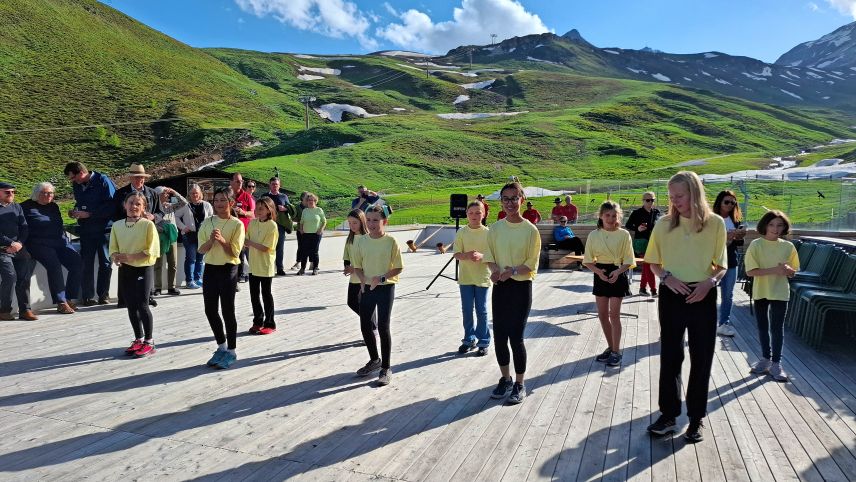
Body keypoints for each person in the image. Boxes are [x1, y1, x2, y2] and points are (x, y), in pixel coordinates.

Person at [644, 171, 726, 444]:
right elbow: (653, 262)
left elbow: (721, 265)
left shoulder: (715, 224)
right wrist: (667, 278)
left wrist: (709, 283)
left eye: (679, 195)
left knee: (702, 358)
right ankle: (668, 415)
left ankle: (696, 418)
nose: (675, 201)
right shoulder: (664, 224)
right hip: (672, 294)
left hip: (703, 295)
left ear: (695, 192)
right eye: (671, 197)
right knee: (670, 356)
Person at [484, 181, 541, 405]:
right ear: (501, 201)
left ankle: (519, 383)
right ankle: (505, 379)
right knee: (499, 337)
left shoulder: (530, 230)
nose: (510, 202)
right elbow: (490, 257)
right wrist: (495, 271)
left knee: (516, 338)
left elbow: (531, 264)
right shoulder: (495, 229)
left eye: (514, 198)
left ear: (521, 200)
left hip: (520, 287)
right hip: (501, 288)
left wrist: (513, 271)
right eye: (505, 199)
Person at [352, 205, 403, 386]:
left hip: (386, 288)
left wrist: (381, 278)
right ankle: (375, 360)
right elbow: (357, 265)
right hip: (367, 288)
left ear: (384, 221)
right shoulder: (362, 241)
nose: (372, 223)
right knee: (365, 324)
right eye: (369, 220)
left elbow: (398, 267)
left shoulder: (391, 241)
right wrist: (363, 281)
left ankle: (386, 368)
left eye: (376, 220)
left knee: (383, 326)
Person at [745, 211, 799, 382]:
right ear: (765, 225)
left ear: (784, 227)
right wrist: (775, 270)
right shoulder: (756, 245)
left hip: (780, 292)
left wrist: (789, 272)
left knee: (777, 329)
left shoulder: (788, 247)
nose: (776, 229)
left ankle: (776, 363)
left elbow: (793, 272)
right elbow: (750, 271)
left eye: (780, 225)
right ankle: (765, 359)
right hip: (761, 292)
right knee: (762, 327)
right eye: (772, 225)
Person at [583, 201, 636, 367]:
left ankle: (616, 351)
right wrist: (598, 272)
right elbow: (588, 261)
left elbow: (629, 260)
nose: (611, 219)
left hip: (617, 273)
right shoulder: (593, 235)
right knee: (602, 315)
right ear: (601, 216)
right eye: (607, 215)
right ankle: (611, 347)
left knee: (614, 315)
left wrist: (618, 272)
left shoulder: (624, 235)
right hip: (601, 273)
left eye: (614, 215)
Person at [198, 187, 245, 369]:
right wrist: (211, 241)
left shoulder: (237, 224)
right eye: (216, 200)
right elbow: (201, 249)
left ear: (231, 203)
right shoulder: (207, 221)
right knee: (210, 310)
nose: (219, 204)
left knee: (227, 310)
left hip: (228, 269)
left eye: (223, 200)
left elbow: (235, 251)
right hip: (210, 269)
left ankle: (232, 351)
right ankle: (221, 346)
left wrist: (223, 241)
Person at [110, 192, 159, 357]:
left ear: (144, 207)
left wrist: (129, 257)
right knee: (130, 305)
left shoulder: (148, 225)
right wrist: (116, 257)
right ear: (125, 205)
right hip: (125, 269)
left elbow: (151, 251)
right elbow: (113, 248)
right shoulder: (117, 225)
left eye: (138, 204)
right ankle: (138, 339)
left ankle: (149, 341)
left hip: (143, 268)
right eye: (131, 203)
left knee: (142, 304)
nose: (134, 207)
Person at [21, 182, 82, 314]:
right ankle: (61, 302)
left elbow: (59, 226)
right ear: (37, 193)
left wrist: (65, 242)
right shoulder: (25, 207)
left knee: (77, 262)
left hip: (59, 242)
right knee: (54, 264)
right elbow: (21, 228)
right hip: (38, 243)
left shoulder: (53, 206)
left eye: (51, 193)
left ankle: (69, 297)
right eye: (45, 193)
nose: (49, 196)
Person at [65, 161, 116, 306]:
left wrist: (90, 214)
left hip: (104, 229)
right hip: (86, 230)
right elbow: (80, 202)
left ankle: (103, 295)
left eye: (73, 178)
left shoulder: (103, 181)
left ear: (81, 173)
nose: (72, 181)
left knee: (105, 262)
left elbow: (112, 206)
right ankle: (87, 296)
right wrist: (75, 211)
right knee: (86, 263)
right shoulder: (77, 185)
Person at [113, 163, 161, 307]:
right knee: (126, 266)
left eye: (141, 177)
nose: (139, 179)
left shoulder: (152, 193)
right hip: (127, 233)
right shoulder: (120, 194)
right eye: (136, 177)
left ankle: (147, 296)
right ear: (131, 178)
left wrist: (153, 217)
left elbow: (160, 212)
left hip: (146, 232)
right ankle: (124, 299)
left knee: (147, 263)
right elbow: (115, 214)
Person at [453, 202, 491, 356]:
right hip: (466, 278)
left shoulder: (489, 233)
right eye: (471, 213)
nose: (474, 216)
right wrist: (466, 255)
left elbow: (493, 255)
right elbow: (456, 254)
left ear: (484, 214)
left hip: (482, 277)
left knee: (481, 310)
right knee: (467, 310)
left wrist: (482, 256)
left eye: (478, 213)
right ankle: (469, 339)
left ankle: (484, 341)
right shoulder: (462, 232)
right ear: (466, 214)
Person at [0, 182, 37, 321]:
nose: (11, 195)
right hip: (2, 250)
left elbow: (24, 227)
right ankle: (4, 311)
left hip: (19, 248)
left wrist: (19, 243)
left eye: (13, 192)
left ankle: (25, 310)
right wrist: (10, 243)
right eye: (7, 192)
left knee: (24, 278)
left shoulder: (17, 207)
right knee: (9, 277)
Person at [713, 190, 746, 337]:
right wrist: (727, 237)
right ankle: (706, 322)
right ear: (719, 202)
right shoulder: (711, 220)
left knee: (728, 294)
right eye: (727, 202)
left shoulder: (736, 221)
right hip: (712, 262)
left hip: (731, 261)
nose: (730, 205)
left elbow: (739, 244)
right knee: (708, 293)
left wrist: (739, 235)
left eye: (733, 202)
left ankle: (723, 323)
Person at [246, 197, 279, 335]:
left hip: (265, 266)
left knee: (266, 295)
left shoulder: (272, 225)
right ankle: (257, 321)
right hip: (253, 265)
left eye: (261, 208)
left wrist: (250, 243)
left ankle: (270, 323)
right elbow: (245, 241)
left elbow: (266, 248)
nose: (257, 211)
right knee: (254, 295)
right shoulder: (252, 223)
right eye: (257, 207)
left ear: (269, 210)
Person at [343, 209, 377, 336]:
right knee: (351, 302)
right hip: (354, 278)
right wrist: (347, 267)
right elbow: (346, 255)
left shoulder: (367, 238)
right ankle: (370, 324)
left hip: (365, 277)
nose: (352, 226)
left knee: (367, 305)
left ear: (362, 222)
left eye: (354, 223)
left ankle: (372, 329)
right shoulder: (350, 238)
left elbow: (368, 258)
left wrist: (355, 268)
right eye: (350, 223)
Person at [152, 186, 187, 296]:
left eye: (167, 194)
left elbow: (184, 202)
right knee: (158, 264)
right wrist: (159, 229)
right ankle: (157, 288)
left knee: (173, 263)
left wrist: (173, 191)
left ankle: (171, 287)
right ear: (158, 195)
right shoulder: (153, 208)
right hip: (159, 237)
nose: (167, 195)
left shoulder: (170, 206)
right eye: (164, 193)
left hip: (171, 238)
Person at [625, 192, 661, 296]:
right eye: (648, 200)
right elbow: (628, 225)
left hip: (653, 242)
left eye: (652, 200)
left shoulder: (656, 212)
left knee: (647, 265)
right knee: (649, 265)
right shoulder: (637, 212)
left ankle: (642, 289)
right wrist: (637, 228)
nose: (650, 202)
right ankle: (653, 290)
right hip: (641, 242)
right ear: (643, 201)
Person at [183, 184, 212, 289]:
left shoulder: (207, 205)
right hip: (189, 236)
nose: (195, 195)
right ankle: (189, 281)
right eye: (192, 193)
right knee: (191, 259)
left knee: (200, 259)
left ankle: (197, 279)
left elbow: (211, 219)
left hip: (202, 236)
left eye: (197, 192)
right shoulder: (185, 205)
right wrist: (183, 227)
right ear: (189, 194)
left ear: (200, 193)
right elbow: (176, 217)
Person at [261, 177, 292, 276]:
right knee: (267, 247)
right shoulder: (265, 196)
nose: (275, 186)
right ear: (269, 185)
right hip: (267, 225)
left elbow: (290, 208)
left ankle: (280, 268)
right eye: (273, 184)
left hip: (280, 226)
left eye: (276, 184)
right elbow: (260, 209)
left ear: (279, 185)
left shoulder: (284, 196)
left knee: (280, 248)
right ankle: (267, 268)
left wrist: (285, 208)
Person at [231, 173, 255, 283]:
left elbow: (252, 213)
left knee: (243, 253)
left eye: (241, 181)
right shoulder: (227, 195)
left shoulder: (247, 196)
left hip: (244, 230)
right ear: (231, 182)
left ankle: (242, 274)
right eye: (237, 181)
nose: (240, 183)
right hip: (229, 229)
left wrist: (243, 212)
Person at [296, 192, 326, 276]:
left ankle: (315, 268)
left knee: (314, 251)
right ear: (307, 201)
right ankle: (302, 269)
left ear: (315, 201)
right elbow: (301, 221)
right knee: (304, 252)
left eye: (312, 200)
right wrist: (301, 229)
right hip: (306, 234)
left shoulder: (319, 210)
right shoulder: (305, 210)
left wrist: (320, 229)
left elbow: (324, 221)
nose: (311, 201)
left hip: (316, 234)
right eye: (309, 200)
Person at [290, 192, 308, 271]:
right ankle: (298, 262)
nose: (308, 198)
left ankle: (312, 263)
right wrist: (301, 220)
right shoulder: (297, 207)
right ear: (302, 198)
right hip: (300, 230)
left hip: (310, 230)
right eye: (306, 197)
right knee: (300, 247)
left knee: (311, 247)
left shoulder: (311, 206)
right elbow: (293, 218)